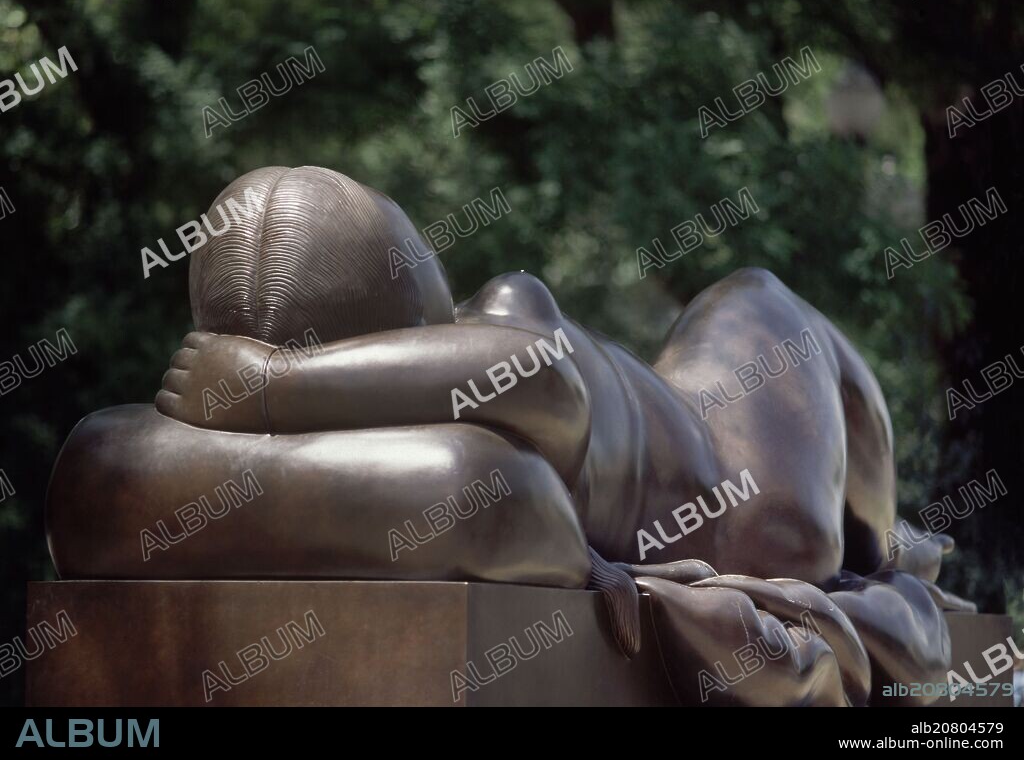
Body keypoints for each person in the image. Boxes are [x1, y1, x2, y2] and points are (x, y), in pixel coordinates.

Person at [48, 166, 973, 705]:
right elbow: (537, 377)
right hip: (753, 504)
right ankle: (886, 549)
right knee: (755, 298)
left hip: (724, 471)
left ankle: (887, 544)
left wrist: (267, 387)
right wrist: (272, 391)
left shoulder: (461, 382)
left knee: (752, 304)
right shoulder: (488, 363)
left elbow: (534, 379)